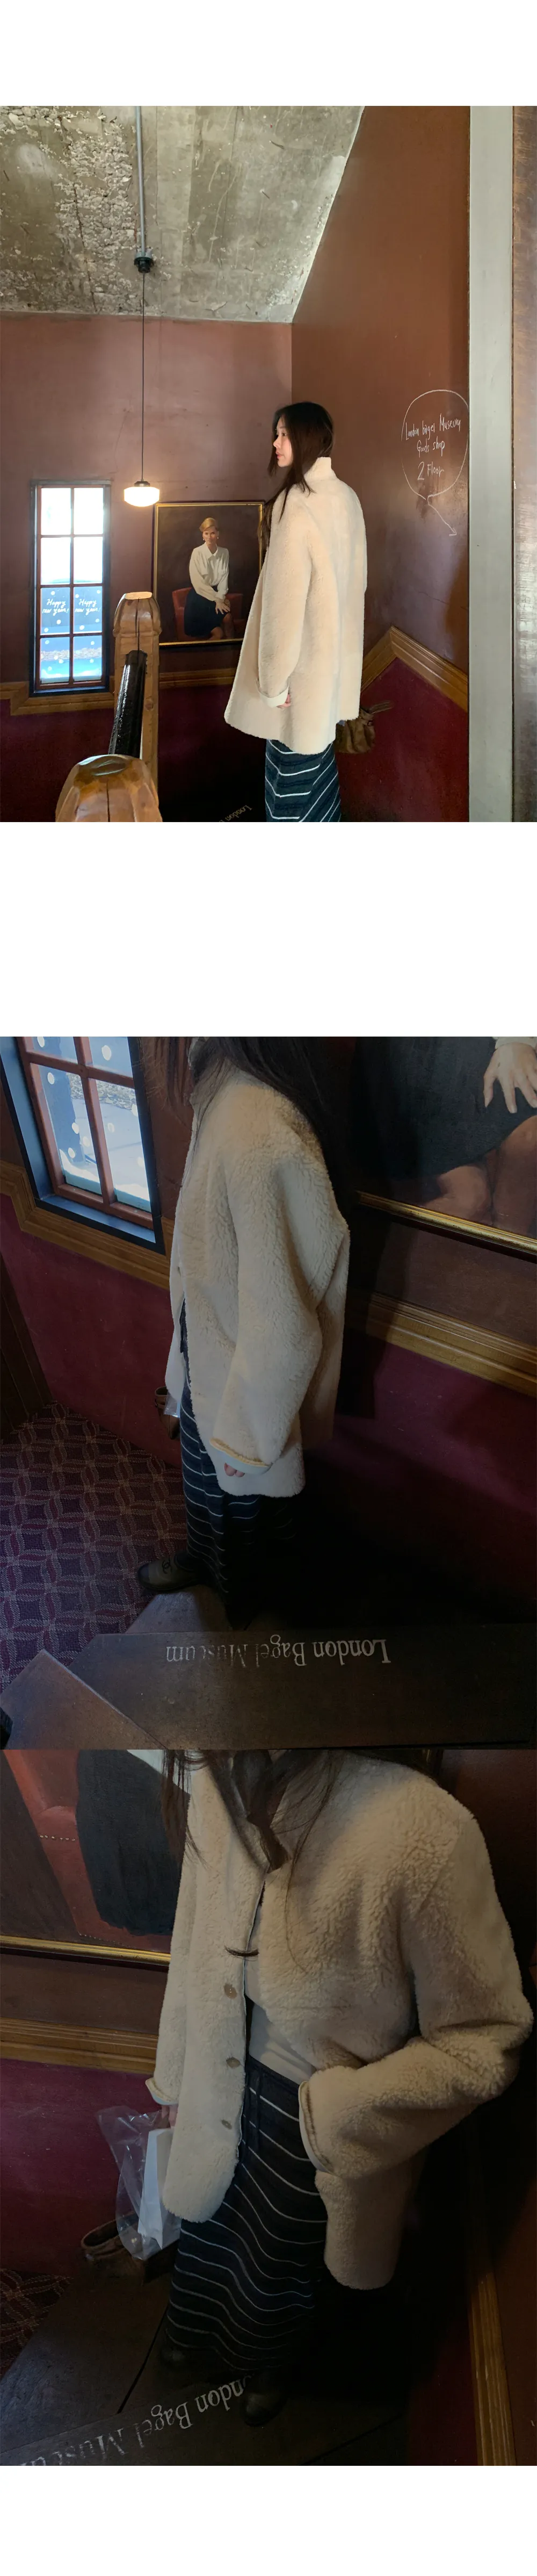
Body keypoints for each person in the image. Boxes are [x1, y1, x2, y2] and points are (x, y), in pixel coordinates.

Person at [147, 1746, 532, 2427]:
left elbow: (485, 2038)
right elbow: (193, 1937)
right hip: (218, 2071)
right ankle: (194, 2336)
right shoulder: (215, 1772)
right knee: (206, 2229)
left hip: (315, 2109)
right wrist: (178, 2071)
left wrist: (346, 2112)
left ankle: (267, 2364)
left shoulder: (423, 1826)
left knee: (274, 2263)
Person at [138, 1041, 350, 1622]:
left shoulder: (256, 1127)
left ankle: (243, 1607)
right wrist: (181, 1384)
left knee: (243, 1509)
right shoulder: (225, 1090)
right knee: (212, 1497)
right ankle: (212, 1566)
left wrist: (248, 1436)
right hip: (211, 1358)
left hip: (244, 1389)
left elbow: (284, 1326)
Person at [224, 402, 367, 821]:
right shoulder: (348, 498)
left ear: (307, 437)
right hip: (332, 675)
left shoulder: (296, 503)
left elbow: (282, 607)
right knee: (319, 787)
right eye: (277, 433)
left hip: (296, 682)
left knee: (288, 797)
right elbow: (356, 588)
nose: (276, 442)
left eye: (284, 433)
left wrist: (273, 685)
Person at [350, 1037, 537, 1235]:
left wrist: (517, 1040)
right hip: (420, 1062)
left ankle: (507, 1242)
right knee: (470, 1201)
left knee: (527, 1139)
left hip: (485, 1052)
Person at [183, 517, 233, 641]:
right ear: (203, 536)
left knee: (228, 619)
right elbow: (198, 584)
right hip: (199, 598)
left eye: (213, 533)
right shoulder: (197, 553)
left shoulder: (224, 553)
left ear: (218, 534)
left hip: (217, 595)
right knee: (218, 633)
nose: (210, 537)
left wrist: (220, 598)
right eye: (206, 533)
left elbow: (224, 579)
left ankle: (233, 650)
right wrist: (217, 599)